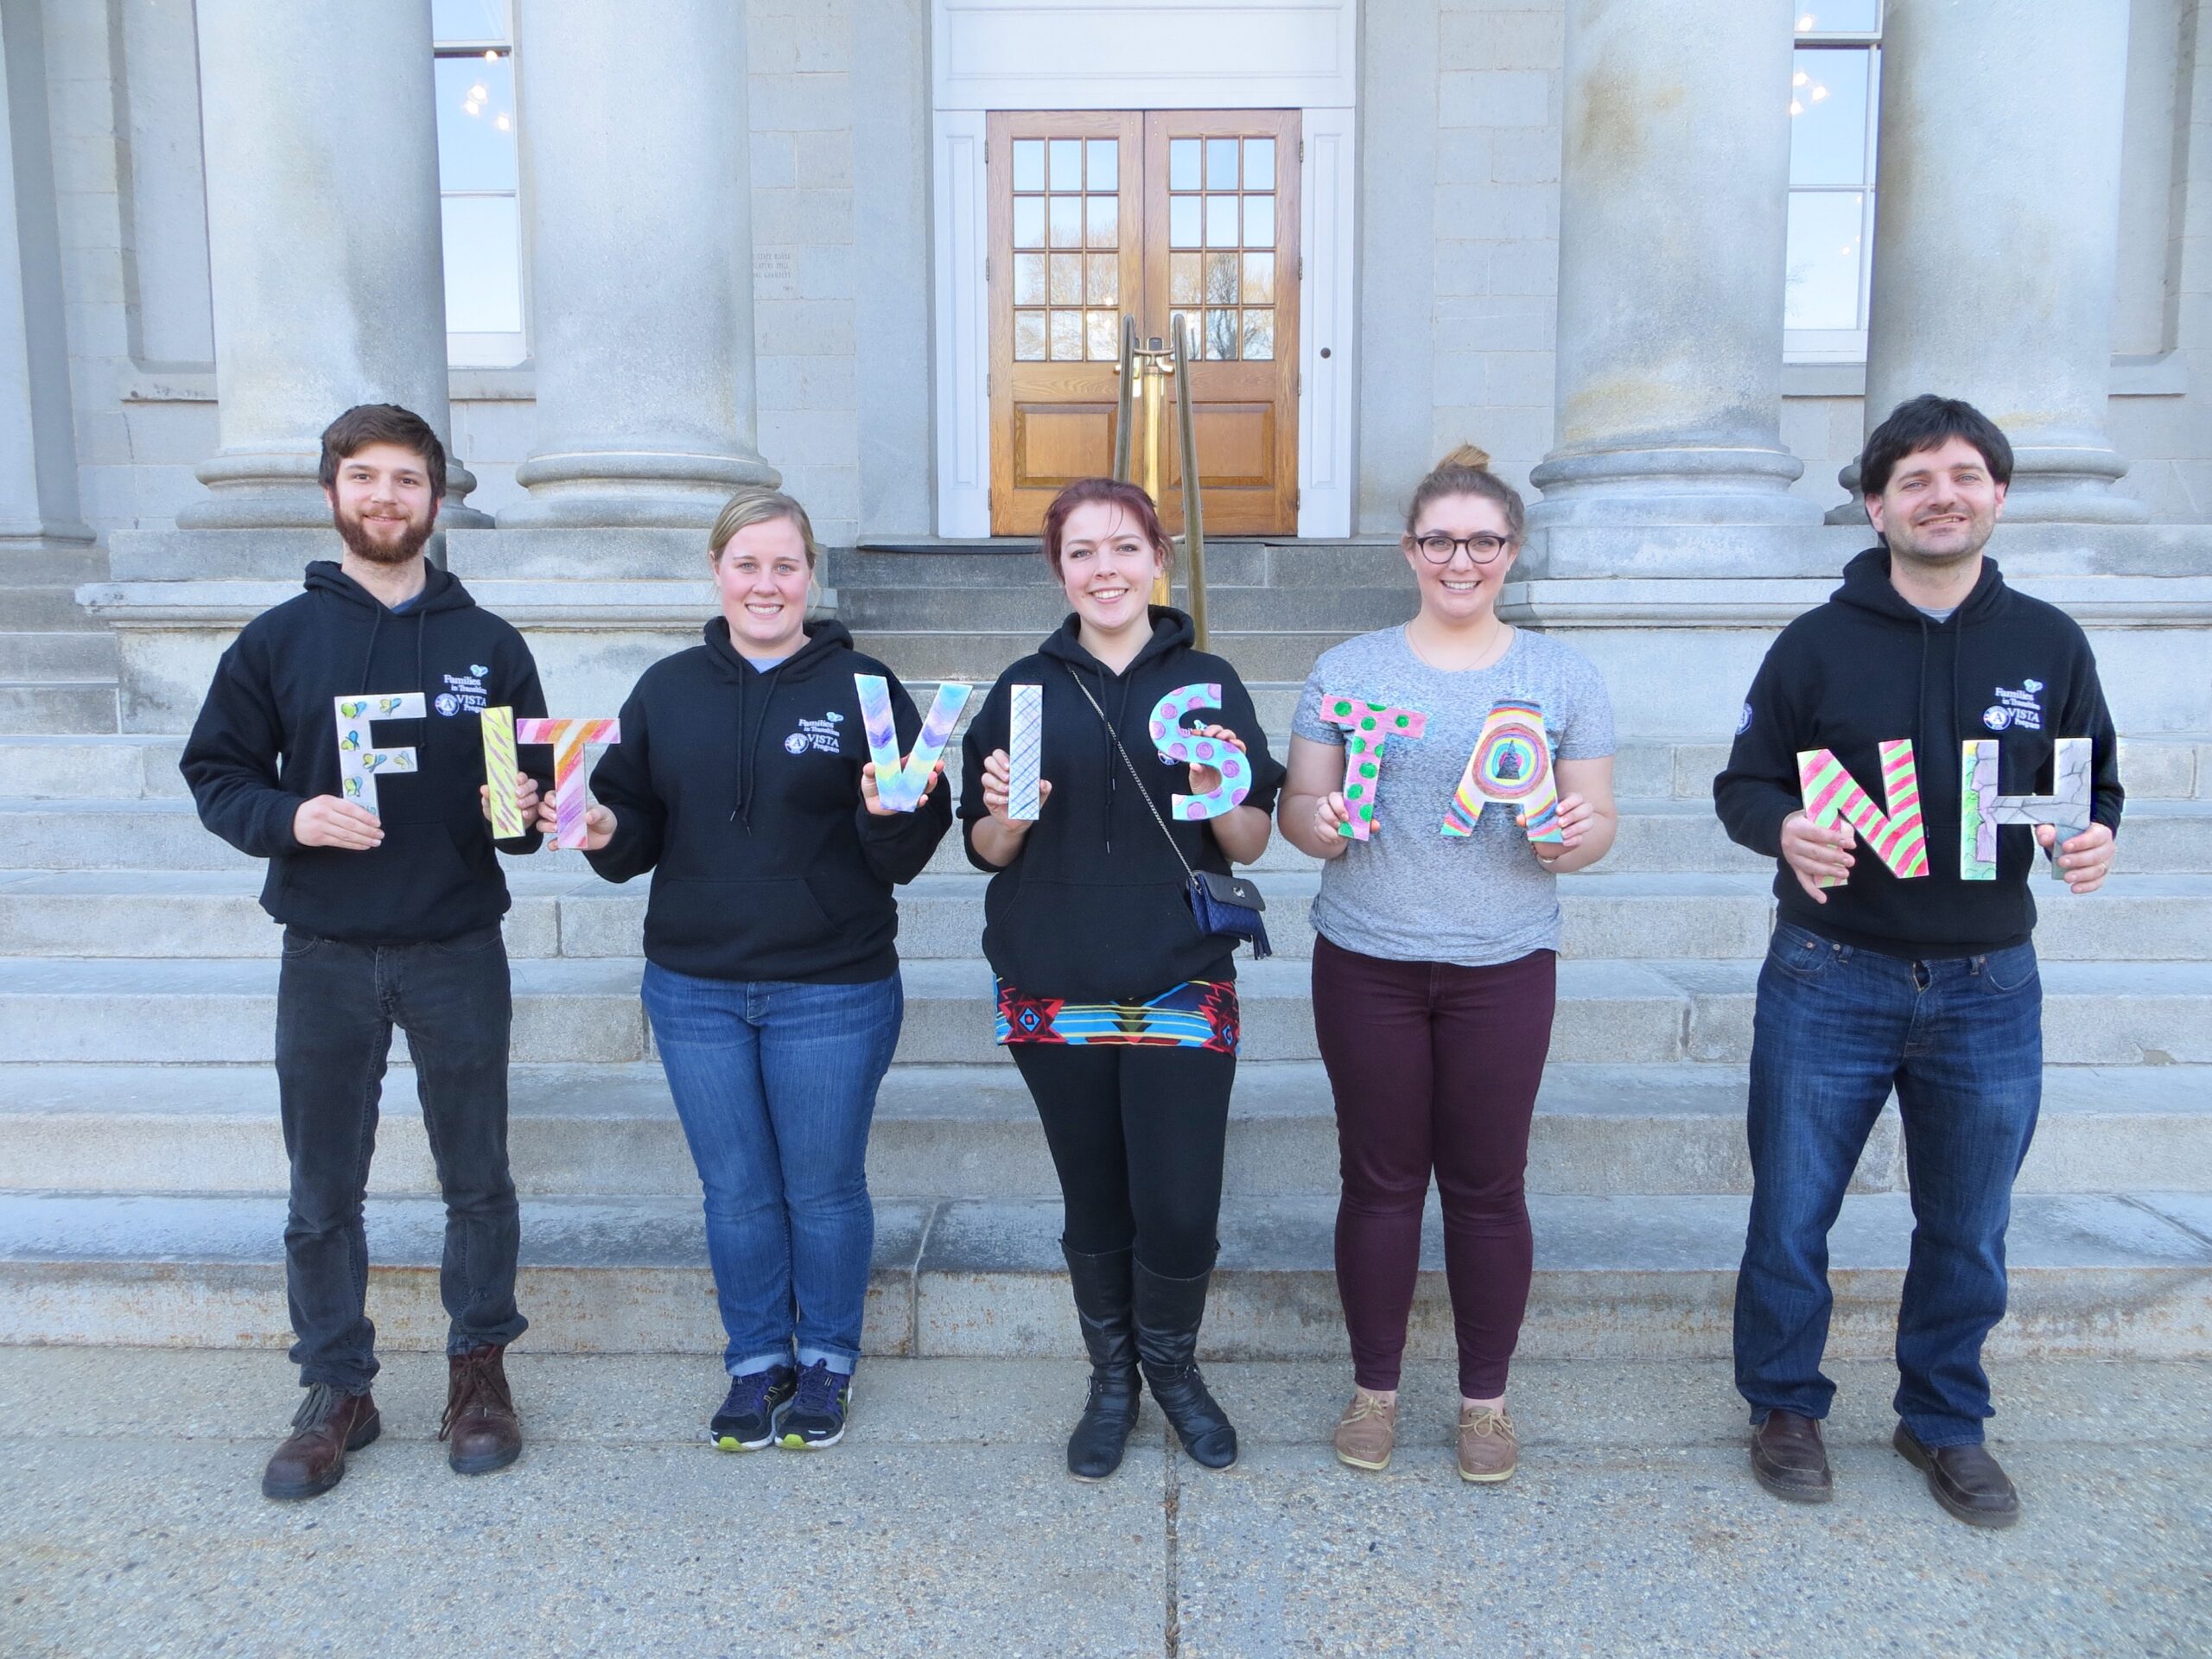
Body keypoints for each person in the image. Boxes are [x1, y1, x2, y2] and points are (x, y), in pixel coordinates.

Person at [1715, 395, 2121, 1529]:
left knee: (1968, 1220)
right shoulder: (1815, 642)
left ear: (1997, 493)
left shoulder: (2050, 643)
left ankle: (1943, 1417)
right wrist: (1782, 826)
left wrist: (2091, 832)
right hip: (1830, 970)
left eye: (1964, 475)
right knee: (1793, 1212)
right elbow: (1743, 783)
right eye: (1915, 479)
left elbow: (2093, 785)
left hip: (1992, 980)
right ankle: (1783, 1406)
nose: (1942, 495)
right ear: (1873, 502)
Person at [181, 404, 550, 1499]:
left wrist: (522, 805)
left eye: (407, 480)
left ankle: (477, 1370)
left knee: (477, 1179)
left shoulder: (490, 646)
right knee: (320, 1188)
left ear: (439, 500)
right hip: (328, 952)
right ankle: (338, 1384)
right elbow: (219, 775)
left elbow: (520, 818)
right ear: (333, 493)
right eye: (365, 478)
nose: (386, 498)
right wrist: (290, 818)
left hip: (455, 946)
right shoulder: (278, 640)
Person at [556, 486, 950, 1453]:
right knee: (733, 1190)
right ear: (718, 571)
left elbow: (904, 847)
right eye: (747, 564)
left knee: (820, 1187)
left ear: (810, 575)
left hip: (832, 985)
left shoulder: (865, 689)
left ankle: (826, 1361)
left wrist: (890, 810)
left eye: (785, 565)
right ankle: (753, 1361)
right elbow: (628, 822)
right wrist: (603, 829)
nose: (765, 584)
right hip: (694, 987)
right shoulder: (666, 689)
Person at [1279, 445, 1618, 1484]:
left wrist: (1572, 838)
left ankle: (1484, 1403)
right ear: (1409, 550)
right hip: (1369, 957)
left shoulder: (1558, 674)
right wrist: (1320, 825)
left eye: (1481, 541)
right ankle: (1373, 1389)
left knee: (1486, 1186)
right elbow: (1299, 808)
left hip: (1504, 962)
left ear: (1511, 552)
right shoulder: (1349, 669)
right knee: (1378, 1183)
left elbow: (1597, 818)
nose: (1459, 560)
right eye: (1439, 540)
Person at [961, 477, 1283, 1479]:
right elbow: (984, 848)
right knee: (1093, 1200)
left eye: (1123, 548)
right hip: (1051, 978)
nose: (1105, 569)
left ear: (1158, 558)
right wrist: (1007, 819)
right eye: (1083, 552)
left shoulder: (1210, 682)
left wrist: (1216, 791)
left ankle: (1174, 1372)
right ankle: (1112, 1384)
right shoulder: (1021, 688)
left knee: (1180, 1203)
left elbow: (1251, 840)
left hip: (1179, 981)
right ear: (1057, 568)